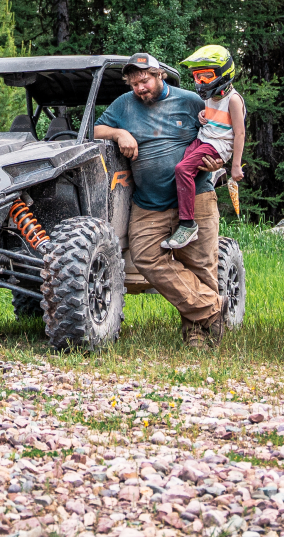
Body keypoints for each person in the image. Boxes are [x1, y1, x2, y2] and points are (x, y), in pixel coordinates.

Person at [93, 53, 222, 348]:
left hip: (196, 195)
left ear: (159, 75)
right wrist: (119, 132)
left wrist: (219, 158)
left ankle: (197, 333)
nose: (140, 88)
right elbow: (93, 130)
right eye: (135, 83)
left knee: (200, 263)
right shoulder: (124, 105)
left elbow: (222, 130)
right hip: (150, 202)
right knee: (145, 255)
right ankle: (213, 307)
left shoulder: (190, 101)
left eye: (145, 80)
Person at [163, 45, 247, 250]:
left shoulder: (233, 100)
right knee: (179, 164)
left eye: (207, 77)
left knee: (182, 170)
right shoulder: (209, 97)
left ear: (223, 74)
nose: (201, 82)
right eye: (197, 77)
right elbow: (214, 117)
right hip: (204, 138)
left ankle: (188, 225)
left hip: (218, 145)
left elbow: (240, 133)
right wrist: (203, 117)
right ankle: (176, 215)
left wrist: (235, 165)